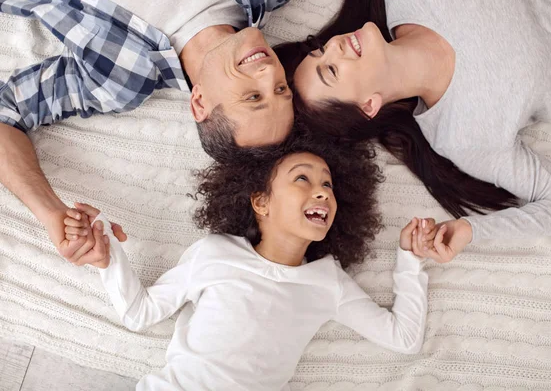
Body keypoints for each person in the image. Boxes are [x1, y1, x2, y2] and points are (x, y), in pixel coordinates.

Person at [62, 132, 443, 390]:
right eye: (303, 180)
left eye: (327, 184)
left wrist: (409, 260)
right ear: (261, 202)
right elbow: (139, 312)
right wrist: (107, 250)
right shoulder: (215, 253)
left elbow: (405, 338)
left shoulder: (328, 282)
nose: (322, 193)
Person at [276, 0, 551, 262]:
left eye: (321, 49)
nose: (335, 45)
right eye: (331, 69)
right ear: (368, 107)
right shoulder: (461, 136)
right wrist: (471, 230)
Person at [0, 0, 295, 264]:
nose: (269, 72)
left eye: (253, 96)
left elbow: (6, 111)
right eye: (281, 89)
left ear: (200, 103)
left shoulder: (122, 75)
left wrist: (52, 211)